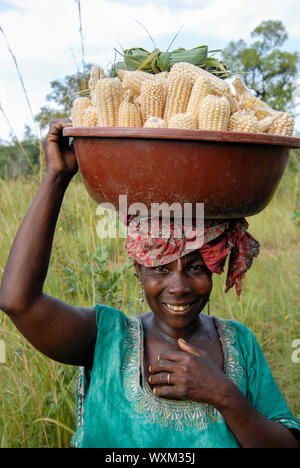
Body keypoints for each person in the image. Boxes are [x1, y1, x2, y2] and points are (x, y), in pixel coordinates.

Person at [0, 119, 299, 449]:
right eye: (159, 268)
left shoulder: (239, 344)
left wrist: (222, 393)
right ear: (138, 270)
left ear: (214, 268)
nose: (179, 286)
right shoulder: (105, 339)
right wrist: (57, 176)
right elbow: (19, 301)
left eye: (196, 267)